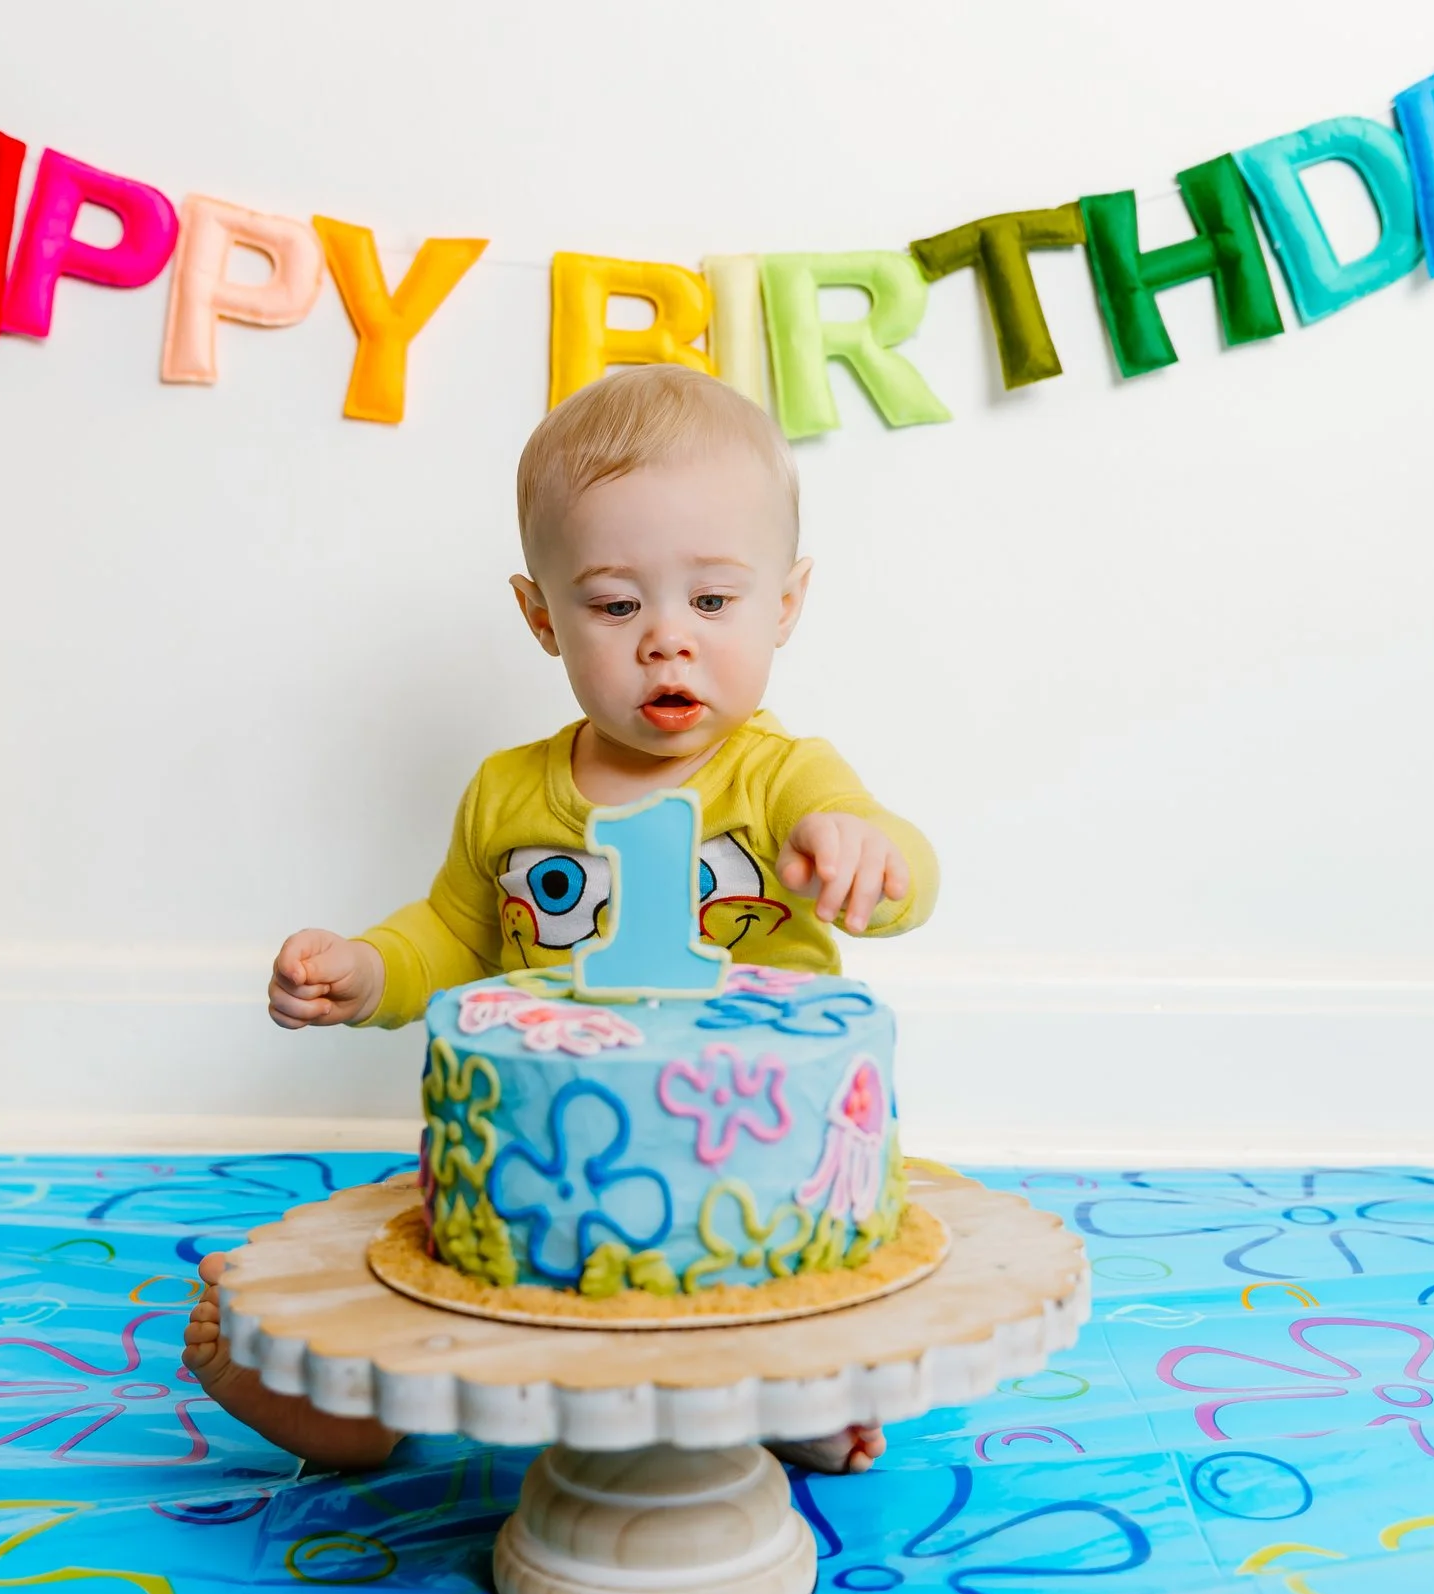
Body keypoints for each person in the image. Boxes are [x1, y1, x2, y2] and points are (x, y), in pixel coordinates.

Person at [186, 364, 938, 1474]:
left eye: (713, 600)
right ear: (542, 614)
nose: (666, 639)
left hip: (737, 1189)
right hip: (542, 1185)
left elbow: (902, 868)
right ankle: (345, 1404)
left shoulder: (785, 777)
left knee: (781, 1303)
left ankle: (788, 1398)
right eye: (616, 603)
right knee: (413, 1279)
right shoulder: (508, 791)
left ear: (785, 602)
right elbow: (452, 934)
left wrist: (872, 856)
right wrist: (362, 970)